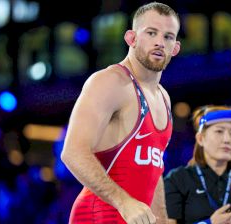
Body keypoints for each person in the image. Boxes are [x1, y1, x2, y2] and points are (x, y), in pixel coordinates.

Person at [60, 2, 181, 224]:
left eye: (168, 37)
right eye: (151, 33)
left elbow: (152, 168)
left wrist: (162, 218)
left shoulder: (164, 97)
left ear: (175, 48)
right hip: (97, 216)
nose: (159, 43)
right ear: (131, 38)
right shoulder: (110, 82)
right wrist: (123, 201)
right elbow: (72, 153)